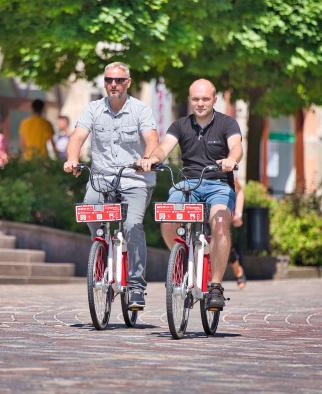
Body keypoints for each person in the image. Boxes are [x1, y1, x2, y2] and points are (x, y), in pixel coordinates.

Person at [138, 78, 243, 311]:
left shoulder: (228, 124)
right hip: (188, 184)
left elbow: (236, 147)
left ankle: (215, 285)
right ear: (190, 100)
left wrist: (231, 160)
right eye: (196, 99)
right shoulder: (180, 125)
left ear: (214, 100)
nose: (200, 103)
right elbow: (164, 148)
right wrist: (152, 159)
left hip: (218, 184)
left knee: (219, 223)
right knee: (167, 219)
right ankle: (182, 260)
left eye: (205, 99)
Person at [63, 62, 159, 310]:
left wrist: (147, 159)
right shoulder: (93, 109)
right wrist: (72, 159)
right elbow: (77, 138)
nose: (113, 85)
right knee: (88, 207)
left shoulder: (141, 110)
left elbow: (151, 139)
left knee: (132, 225)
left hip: (135, 179)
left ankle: (136, 285)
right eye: (108, 80)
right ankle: (101, 253)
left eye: (118, 80)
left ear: (128, 82)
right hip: (102, 177)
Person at [230, 176, 247, 289]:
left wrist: (238, 214)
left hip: (224, 213)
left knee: (226, 247)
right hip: (205, 211)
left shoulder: (228, 173)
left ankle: (238, 272)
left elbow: (239, 191)